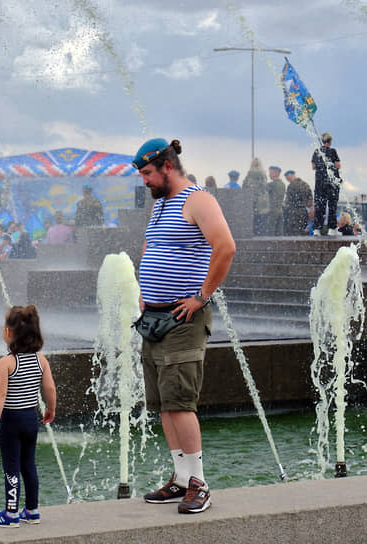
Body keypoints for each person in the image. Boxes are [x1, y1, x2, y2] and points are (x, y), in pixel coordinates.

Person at [131, 138, 235, 514]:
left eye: (146, 173)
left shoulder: (198, 200)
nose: (144, 181)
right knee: (163, 403)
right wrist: (144, 290)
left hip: (183, 318)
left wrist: (202, 297)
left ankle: (199, 484)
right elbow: (151, 247)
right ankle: (179, 478)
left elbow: (225, 247)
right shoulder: (161, 205)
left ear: (166, 167)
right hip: (154, 318)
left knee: (181, 403)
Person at [0, 305, 56, 527]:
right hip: (30, 419)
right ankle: (32, 510)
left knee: (11, 466)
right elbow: (50, 388)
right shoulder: (40, 360)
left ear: (9, 333)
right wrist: (51, 409)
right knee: (29, 465)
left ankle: (11, 514)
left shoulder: (6, 362)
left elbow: (0, 394)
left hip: (11, 421)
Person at [311, 132, 342, 236]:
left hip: (320, 182)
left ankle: (316, 229)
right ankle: (332, 228)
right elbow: (338, 166)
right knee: (332, 205)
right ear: (330, 141)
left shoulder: (317, 151)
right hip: (331, 183)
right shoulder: (333, 151)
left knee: (320, 205)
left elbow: (313, 166)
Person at [242, 158, 270, 236]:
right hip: (263, 201)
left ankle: (255, 239)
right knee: (263, 223)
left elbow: (245, 187)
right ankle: (263, 239)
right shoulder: (263, 175)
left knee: (255, 223)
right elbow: (265, 187)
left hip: (253, 201)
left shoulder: (249, 175)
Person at [282, 170, 313, 236]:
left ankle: (295, 245)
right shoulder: (305, 184)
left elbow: (287, 202)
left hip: (293, 213)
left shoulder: (291, 186)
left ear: (291, 175)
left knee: (293, 233)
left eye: (287, 178)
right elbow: (310, 202)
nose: (287, 180)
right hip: (303, 212)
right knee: (302, 231)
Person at [267, 166, 286, 236]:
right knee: (279, 233)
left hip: (272, 211)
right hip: (280, 210)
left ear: (275, 173)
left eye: (270, 173)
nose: (269, 175)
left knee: (270, 232)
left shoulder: (272, 184)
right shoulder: (282, 184)